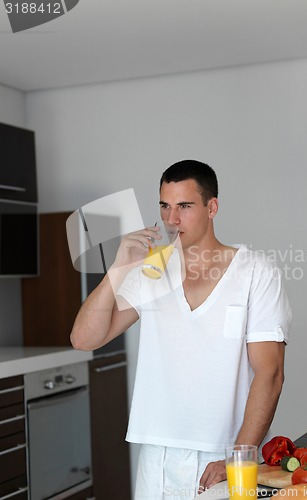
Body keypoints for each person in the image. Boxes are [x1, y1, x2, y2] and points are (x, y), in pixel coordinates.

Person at [70, 159, 292, 499]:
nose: (172, 219)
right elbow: (85, 339)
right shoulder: (153, 268)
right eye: (165, 206)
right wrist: (117, 269)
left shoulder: (256, 272)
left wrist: (239, 456)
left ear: (212, 207)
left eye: (185, 206)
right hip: (156, 455)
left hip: (222, 454)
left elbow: (271, 373)